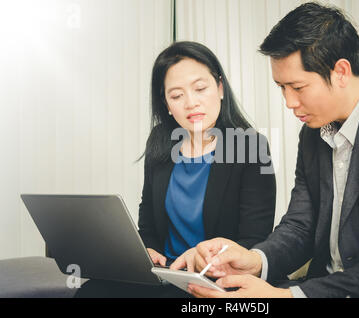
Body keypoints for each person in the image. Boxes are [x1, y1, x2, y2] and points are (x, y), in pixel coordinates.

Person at [174, 2, 359, 298]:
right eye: (281, 87)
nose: (289, 102)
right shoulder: (313, 133)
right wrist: (254, 260)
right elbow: (300, 226)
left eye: (297, 87)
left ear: (341, 72)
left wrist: (287, 296)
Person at [76, 41, 276, 297]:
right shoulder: (161, 140)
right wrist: (145, 250)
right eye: (177, 95)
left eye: (200, 88)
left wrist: (204, 255)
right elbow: (147, 223)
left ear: (220, 89)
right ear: (167, 105)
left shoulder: (250, 146)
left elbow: (254, 240)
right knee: (90, 292)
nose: (191, 103)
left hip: (212, 279)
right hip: (165, 274)